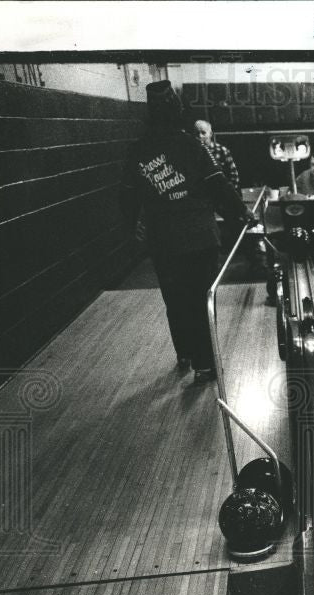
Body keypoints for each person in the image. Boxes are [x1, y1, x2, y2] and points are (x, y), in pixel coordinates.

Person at [121, 81, 251, 385]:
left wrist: (130, 228)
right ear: (177, 111)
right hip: (200, 236)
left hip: (163, 241)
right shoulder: (192, 145)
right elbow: (219, 185)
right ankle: (205, 364)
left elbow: (127, 196)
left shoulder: (137, 150)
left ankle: (185, 353)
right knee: (201, 299)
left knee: (176, 300)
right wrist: (240, 213)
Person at [194, 120, 239, 190]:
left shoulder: (222, 150)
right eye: (197, 133)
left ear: (210, 134)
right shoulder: (193, 153)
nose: (200, 136)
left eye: (203, 133)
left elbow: (234, 175)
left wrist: (230, 194)